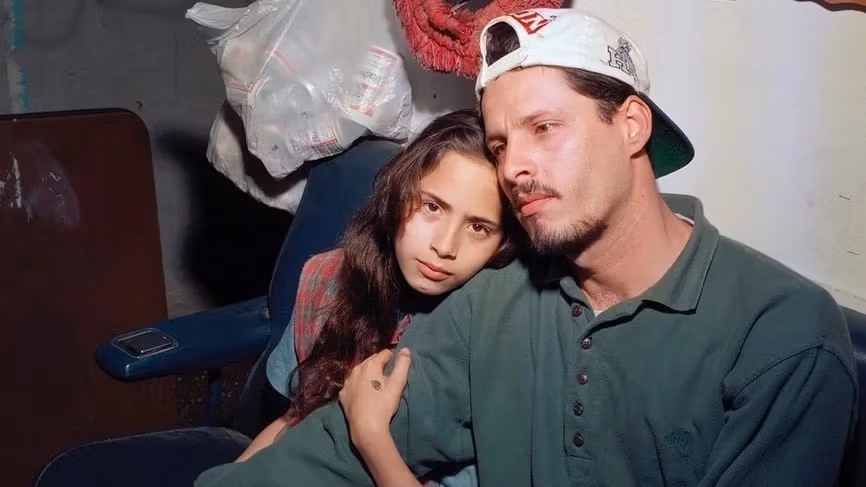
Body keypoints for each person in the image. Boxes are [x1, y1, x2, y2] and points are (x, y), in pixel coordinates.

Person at [196, 8, 857, 487]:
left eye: (544, 127)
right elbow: (334, 452)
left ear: (631, 125)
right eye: (501, 143)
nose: (514, 167)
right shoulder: (492, 298)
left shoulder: (782, 333)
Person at [234, 108, 519, 485]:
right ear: (398, 195)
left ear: (503, 244)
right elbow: (294, 421)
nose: (445, 246)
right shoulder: (329, 279)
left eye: (479, 227)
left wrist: (370, 436)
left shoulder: (487, 341)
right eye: (432, 207)